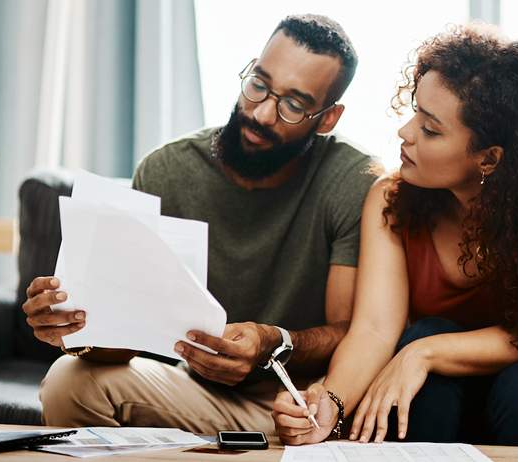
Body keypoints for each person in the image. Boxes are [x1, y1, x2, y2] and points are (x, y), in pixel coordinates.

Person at [272, 24, 518, 462]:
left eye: (430, 129)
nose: (405, 133)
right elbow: (373, 329)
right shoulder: (390, 199)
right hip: (448, 408)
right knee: (427, 334)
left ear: (489, 158)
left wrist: (423, 353)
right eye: (414, 113)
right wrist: (327, 405)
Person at [21, 14, 379, 435]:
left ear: (328, 118)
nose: (262, 113)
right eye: (259, 84)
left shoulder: (352, 181)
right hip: (192, 391)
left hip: (297, 403)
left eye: (294, 105)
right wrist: (76, 326)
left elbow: (350, 332)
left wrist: (271, 343)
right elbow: (123, 343)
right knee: (68, 381)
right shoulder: (167, 170)